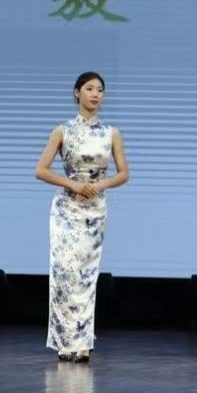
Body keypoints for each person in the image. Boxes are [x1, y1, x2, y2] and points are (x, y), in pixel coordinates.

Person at [35, 72, 130, 363]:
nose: (96, 94)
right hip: (66, 208)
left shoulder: (111, 133)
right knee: (65, 272)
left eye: (100, 89)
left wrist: (99, 186)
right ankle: (65, 342)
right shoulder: (62, 131)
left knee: (87, 275)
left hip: (94, 209)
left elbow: (124, 173)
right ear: (77, 93)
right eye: (89, 88)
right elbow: (41, 170)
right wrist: (73, 185)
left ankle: (83, 342)